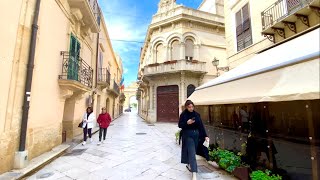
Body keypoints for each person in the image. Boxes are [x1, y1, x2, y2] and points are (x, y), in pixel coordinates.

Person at [179, 100, 209, 180]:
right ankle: (194, 173)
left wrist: (205, 135)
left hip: (196, 136)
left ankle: (189, 164)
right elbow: (180, 125)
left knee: (193, 151)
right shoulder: (183, 115)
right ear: (186, 107)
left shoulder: (197, 115)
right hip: (187, 135)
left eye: (192, 107)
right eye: (189, 107)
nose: (191, 108)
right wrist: (187, 123)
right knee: (192, 153)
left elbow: (201, 126)